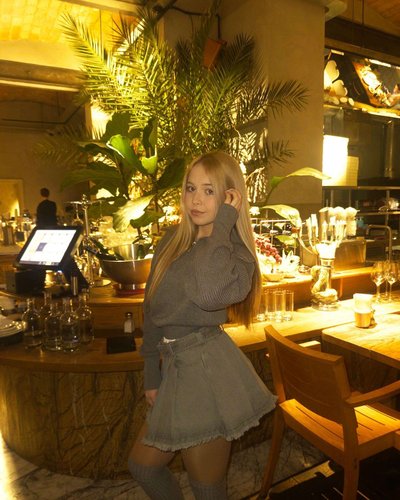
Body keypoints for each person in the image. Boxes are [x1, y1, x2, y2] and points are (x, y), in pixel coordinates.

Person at [128, 151, 276, 499]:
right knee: (143, 467)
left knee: (206, 488)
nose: (195, 200)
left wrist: (222, 226)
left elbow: (207, 294)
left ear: (230, 197)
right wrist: (152, 373)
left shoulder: (237, 255)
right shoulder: (173, 240)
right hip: (175, 368)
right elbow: (151, 308)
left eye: (209, 191)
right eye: (191, 188)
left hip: (207, 372)